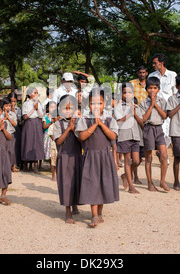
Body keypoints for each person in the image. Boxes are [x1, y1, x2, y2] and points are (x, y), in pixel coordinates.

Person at [76, 88, 120, 228]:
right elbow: (82, 137)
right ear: (88, 104)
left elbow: (113, 136)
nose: (96, 106)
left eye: (99, 103)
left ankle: (99, 213)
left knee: (102, 183)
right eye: (93, 103)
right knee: (92, 184)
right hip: (91, 157)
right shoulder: (85, 120)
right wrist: (95, 124)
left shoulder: (109, 119)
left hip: (105, 157)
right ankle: (94, 215)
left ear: (104, 104)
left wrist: (101, 123)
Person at [53, 95, 82, 224]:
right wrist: (69, 129)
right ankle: (68, 211)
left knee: (77, 182)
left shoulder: (80, 122)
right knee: (66, 184)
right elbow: (58, 142)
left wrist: (75, 127)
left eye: (71, 108)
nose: (68, 111)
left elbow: (82, 139)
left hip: (77, 157)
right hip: (64, 157)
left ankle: (75, 204)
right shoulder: (57, 124)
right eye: (66, 108)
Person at [139, 77, 170, 192]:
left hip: (159, 129)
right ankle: (150, 183)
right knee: (148, 157)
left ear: (158, 89)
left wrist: (156, 105)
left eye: (155, 88)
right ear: (146, 89)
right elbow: (143, 119)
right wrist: (151, 105)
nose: (152, 90)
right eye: (150, 88)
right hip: (148, 129)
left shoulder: (162, 101)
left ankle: (162, 181)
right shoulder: (143, 103)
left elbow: (165, 116)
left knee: (164, 155)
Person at [114, 83, 144, 194]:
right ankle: (131, 187)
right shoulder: (119, 107)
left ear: (133, 94)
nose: (127, 95)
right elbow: (118, 121)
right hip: (124, 136)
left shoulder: (137, 107)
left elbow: (142, 124)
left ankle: (124, 175)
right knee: (127, 160)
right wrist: (129, 114)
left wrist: (134, 114)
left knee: (136, 161)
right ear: (121, 94)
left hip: (136, 136)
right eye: (125, 92)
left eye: (130, 92)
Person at [148, 53, 177, 152]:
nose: (153, 65)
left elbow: (175, 93)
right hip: (155, 108)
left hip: (168, 109)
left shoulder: (172, 75)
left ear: (161, 63)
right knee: (160, 131)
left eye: (155, 63)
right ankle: (162, 154)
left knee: (168, 132)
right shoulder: (151, 76)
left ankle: (161, 152)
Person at [21, 86, 45, 172]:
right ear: (30, 94)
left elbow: (41, 116)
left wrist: (37, 108)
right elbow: (25, 116)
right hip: (29, 123)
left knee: (37, 143)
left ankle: (35, 165)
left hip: (37, 123)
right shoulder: (26, 104)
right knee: (28, 142)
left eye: (37, 93)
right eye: (35, 92)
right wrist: (34, 109)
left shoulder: (39, 103)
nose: (36, 94)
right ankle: (25, 165)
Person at [1, 97, 18, 172]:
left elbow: (15, 124)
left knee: (12, 150)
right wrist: (5, 118)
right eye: (6, 106)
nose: (8, 107)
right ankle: (4, 165)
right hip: (3, 134)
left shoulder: (13, 114)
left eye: (9, 106)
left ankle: (13, 166)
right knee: (4, 150)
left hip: (11, 134)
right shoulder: (0, 114)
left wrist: (8, 118)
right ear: (2, 106)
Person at [9, 92, 23, 170]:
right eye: (11, 101)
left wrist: (14, 112)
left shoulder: (18, 109)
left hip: (16, 128)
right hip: (8, 129)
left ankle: (15, 163)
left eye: (14, 101)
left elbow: (19, 121)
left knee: (16, 146)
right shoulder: (6, 108)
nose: (12, 103)